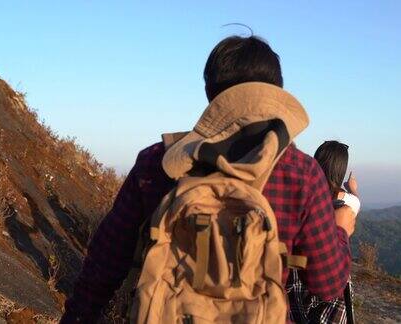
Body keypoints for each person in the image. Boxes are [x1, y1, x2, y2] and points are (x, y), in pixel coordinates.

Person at [60, 36, 353, 323]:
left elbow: (104, 263)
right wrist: (341, 230)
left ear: (210, 93)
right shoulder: (302, 173)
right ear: (276, 93)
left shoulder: (158, 162)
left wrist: (76, 316)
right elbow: (327, 284)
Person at [287, 140, 360, 324]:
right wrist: (353, 189)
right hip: (332, 266)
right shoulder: (347, 201)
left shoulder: (303, 193)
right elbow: (355, 205)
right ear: (341, 168)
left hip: (297, 267)